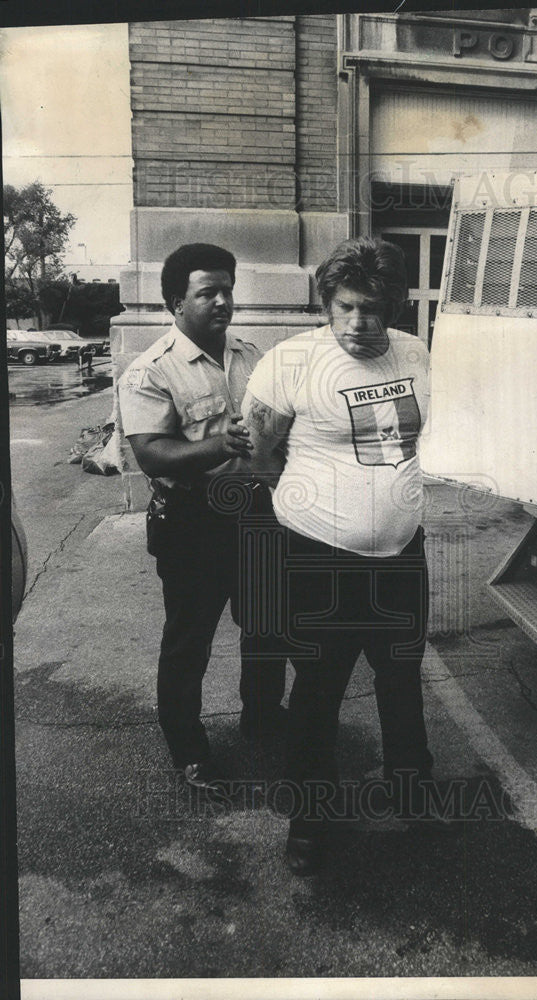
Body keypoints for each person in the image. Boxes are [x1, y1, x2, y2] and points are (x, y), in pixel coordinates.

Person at [240, 236, 439, 874]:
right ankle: (310, 822)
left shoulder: (417, 354)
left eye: (373, 308)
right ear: (326, 303)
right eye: (347, 307)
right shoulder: (291, 362)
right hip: (320, 558)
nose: (360, 323)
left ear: (396, 304)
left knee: (402, 680)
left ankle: (414, 792)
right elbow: (259, 454)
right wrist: (313, 513)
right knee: (319, 691)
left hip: (403, 555)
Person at [117, 243, 288, 791]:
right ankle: (189, 749)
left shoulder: (251, 355)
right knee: (189, 639)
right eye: (206, 292)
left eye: (227, 290)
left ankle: (262, 719)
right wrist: (220, 445)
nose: (222, 302)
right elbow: (151, 452)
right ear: (175, 302)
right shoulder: (151, 370)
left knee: (266, 628)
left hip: (256, 512)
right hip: (192, 519)